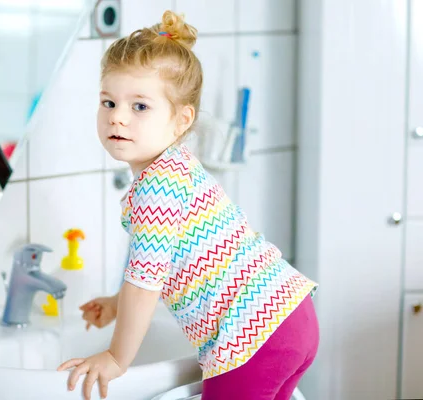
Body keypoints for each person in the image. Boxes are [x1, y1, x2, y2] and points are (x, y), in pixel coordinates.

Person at [57, 10, 319, 400]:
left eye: (140, 107)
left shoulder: (155, 188)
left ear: (182, 120)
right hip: (289, 317)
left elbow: (144, 282)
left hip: (250, 338)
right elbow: (173, 264)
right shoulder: (177, 169)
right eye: (108, 102)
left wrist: (116, 357)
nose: (118, 118)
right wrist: (116, 304)